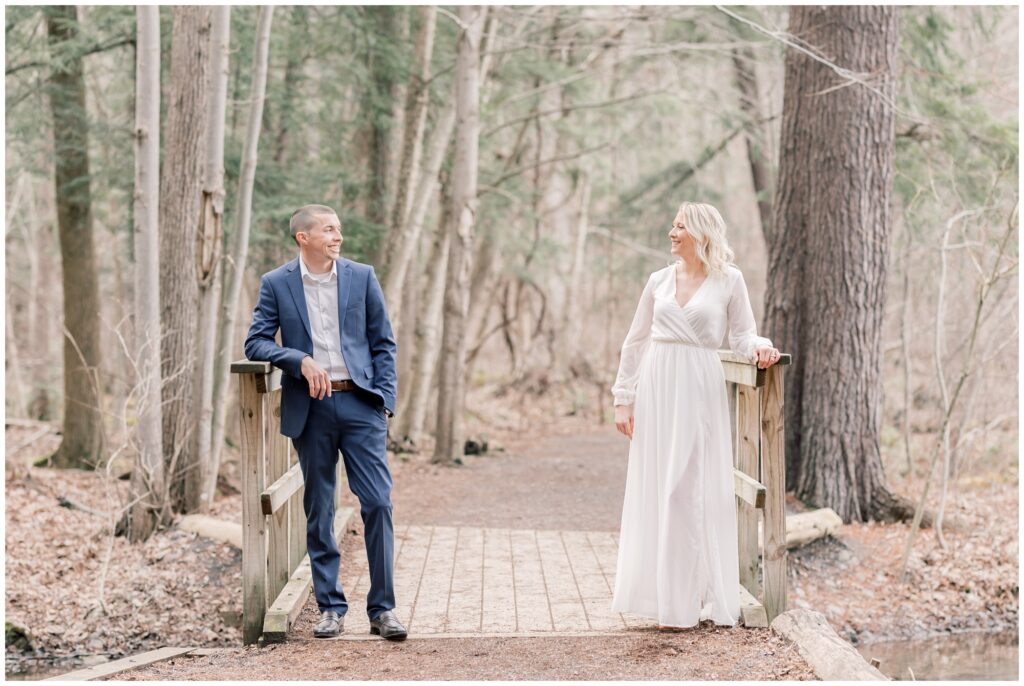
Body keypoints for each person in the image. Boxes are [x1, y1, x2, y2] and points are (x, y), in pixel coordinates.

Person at [609, 201, 781, 629]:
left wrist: (760, 346)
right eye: (672, 225)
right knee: (660, 487)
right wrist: (622, 397)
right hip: (658, 386)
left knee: (687, 490)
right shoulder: (657, 282)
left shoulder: (728, 281)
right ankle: (664, 599)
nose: (672, 232)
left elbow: (741, 334)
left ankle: (686, 603)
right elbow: (634, 343)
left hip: (700, 387)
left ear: (701, 234)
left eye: (680, 226)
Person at [244, 204, 407, 641]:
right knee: (319, 508)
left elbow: (383, 342)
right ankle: (331, 607)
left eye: (339, 230)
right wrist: (298, 360)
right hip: (311, 409)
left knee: (378, 503)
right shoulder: (277, 283)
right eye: (329, 230)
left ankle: (383, 609)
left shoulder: (361, 276)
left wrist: (383, 402)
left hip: (361, 405)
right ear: (304, 237)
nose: (338, 237)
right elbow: (256, 342)